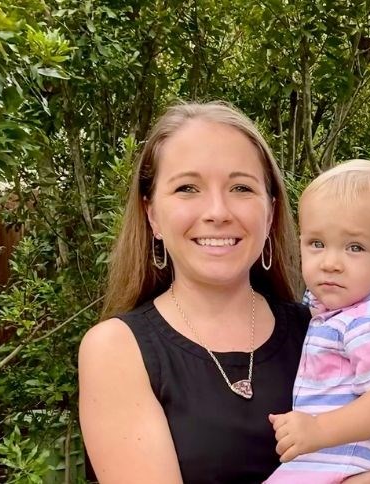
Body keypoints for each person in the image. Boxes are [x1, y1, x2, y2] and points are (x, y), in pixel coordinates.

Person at [78, 101, 311, 484]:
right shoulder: (117, 351)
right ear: (152, 214)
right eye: (188, 188)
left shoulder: (321, 332)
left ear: (270, 212)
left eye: (241, 187)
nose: (218, 211)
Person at [265, 160, 370, 484]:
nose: (330, 263)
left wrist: (317, 428)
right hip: (343, 459)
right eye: (316, 243)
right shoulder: (337, 313)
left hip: (354, 460)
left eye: (354, 247)